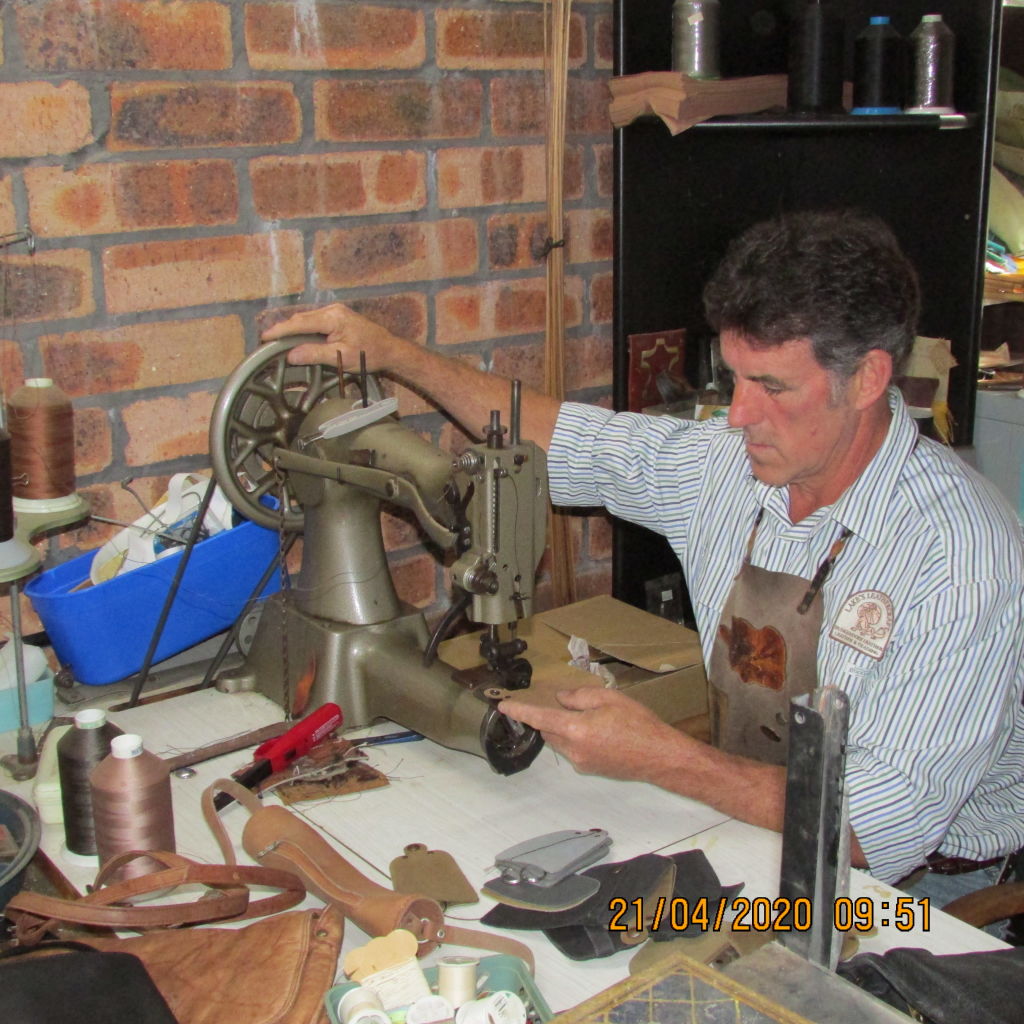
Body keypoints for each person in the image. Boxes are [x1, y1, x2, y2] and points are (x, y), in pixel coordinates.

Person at [262, 209, 1024, 895]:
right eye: (732, 379)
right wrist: (395, 358)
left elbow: (876, 827)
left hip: (918, 895)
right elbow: (562, 440)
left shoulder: (957, 553)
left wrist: (662, 757)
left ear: (867, 379)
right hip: (748, 817)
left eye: (771, 387)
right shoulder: (729, 468)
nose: (736, 416)